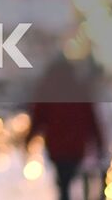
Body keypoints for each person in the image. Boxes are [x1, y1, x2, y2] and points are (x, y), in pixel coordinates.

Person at [26, 56, 104, 200]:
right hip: (75, 146)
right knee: (70, 179)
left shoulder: (48, 91)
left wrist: (29, 139)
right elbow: (91, 119)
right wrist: (99, 141)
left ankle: (65, 194)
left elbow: (38, 118)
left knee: (64, 181)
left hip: (57, 146)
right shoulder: (79, 90)